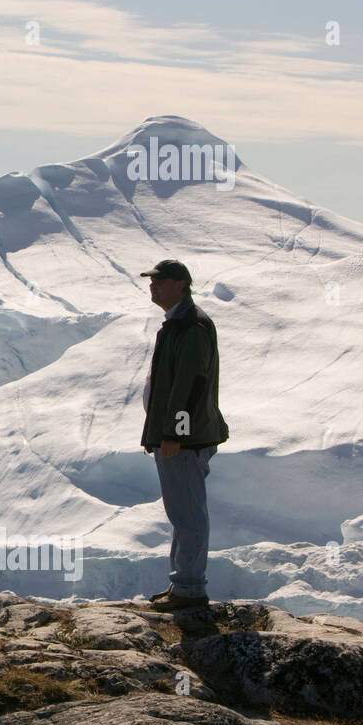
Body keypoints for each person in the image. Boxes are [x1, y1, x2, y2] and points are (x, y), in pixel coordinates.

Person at [139, 259, 229, 612]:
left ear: (181, 284)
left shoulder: (191, 325)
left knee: (188, 513)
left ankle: (189, 589)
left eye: (159, 281)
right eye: (152, 281)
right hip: (178, 436)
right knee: (182, 512)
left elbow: (190, 384)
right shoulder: (179, 322)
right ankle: (183, 583)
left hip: (183, 440)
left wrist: (174, 433)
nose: (153, 286)